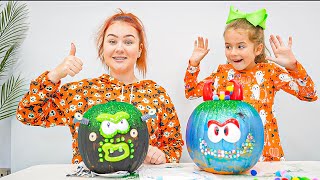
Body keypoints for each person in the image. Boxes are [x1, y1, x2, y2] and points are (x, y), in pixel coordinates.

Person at [16, 9, 184, 165]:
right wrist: (55, 75)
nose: (119, 48)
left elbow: (174, 147)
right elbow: (28, 113)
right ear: (103, 48)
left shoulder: (156, 94)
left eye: (128, 41)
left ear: (139, 50)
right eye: (112, 41)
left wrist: (161, 156)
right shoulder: (80, 92)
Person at [184, 6, 317, 161]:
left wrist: (293, 67)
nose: (233, 52)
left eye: (241, 46)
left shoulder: (270, 72)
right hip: (232, 156)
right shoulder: (223, 73)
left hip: (266, 156)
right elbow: (191, 93)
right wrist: (193, 64)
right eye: (228, 46)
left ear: (258, 48)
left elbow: (309, 94)